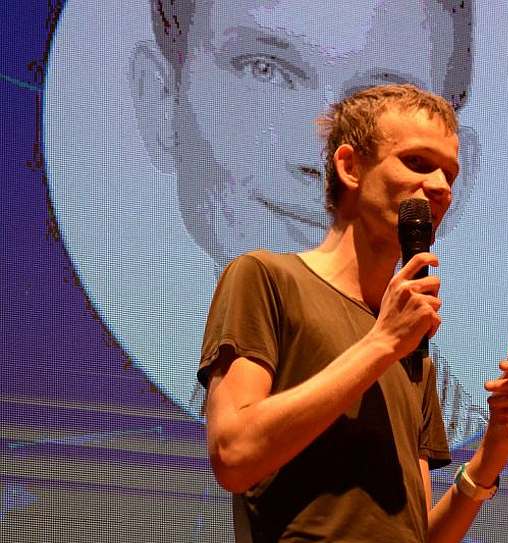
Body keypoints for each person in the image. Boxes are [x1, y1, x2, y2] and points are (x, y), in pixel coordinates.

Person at [197, 84, 508, 543]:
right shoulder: (267, 278)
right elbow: (233, 453)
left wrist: (493, 452)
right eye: (417, 162)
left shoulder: (411, 341)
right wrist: (382, 343)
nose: (441, 187)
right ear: (350, 167)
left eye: (449, 173)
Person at [135, 0, 489, 440]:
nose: (320, 159)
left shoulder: (434, 423)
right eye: (264, 70)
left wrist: (490, 457)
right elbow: (236, 455)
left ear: (452, 179)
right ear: (161, 102)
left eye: (380, 108)